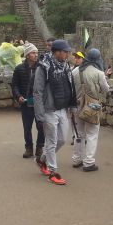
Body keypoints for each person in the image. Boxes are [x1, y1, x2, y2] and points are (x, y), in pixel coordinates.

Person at [34, 39, 77, 185]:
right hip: (49, 110)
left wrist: (72, 105)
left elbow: (70, 87)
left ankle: (42, 159)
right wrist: (39, 114)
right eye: (65, 52)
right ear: (57, 52)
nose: (67, 54)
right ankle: (53, 172)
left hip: (62, 108)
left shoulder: (65, 67)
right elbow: (37, 92)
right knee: (51, 141)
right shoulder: (43, 67)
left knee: (62, 140)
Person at [71, 48, 110, 172]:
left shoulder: (75, 71)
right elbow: (106, 89)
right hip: (92, 106)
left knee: (79, 134)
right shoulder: (99, 73)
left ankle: (77, 159)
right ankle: (89, 162)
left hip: (77, 105)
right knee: (92, 134)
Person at [12, 42, 44, 158]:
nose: (36, 55)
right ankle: (29, 148)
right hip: (26, 103)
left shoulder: (42, 68)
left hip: (39, 103)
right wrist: (18, 96)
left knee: (41, 126)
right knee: (27, 127)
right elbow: (14, 85)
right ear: (27, 55)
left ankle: (40, 147)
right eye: (33, 53)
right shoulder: (19, 69)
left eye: (36, 53)